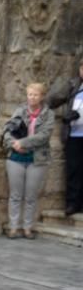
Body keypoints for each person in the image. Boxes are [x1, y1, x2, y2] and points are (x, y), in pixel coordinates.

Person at [2, 83, 55, 240]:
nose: (32, 97)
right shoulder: (19, 111)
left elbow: (44, 136)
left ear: (42, 96)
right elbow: (8, 130)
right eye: (29, 94)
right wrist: (13, 144)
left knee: (31, 195)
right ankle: (13, 227)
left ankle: (27, 227)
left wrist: (23, 143)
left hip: (36, 158)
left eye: (35, 95)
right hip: (16, 157)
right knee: (15, 194)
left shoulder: (48, 114)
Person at [47, 56, 83, 215]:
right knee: (73, 170)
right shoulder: (74, 85)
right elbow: (52, 100)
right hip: (74, 134)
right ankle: (73, 203)